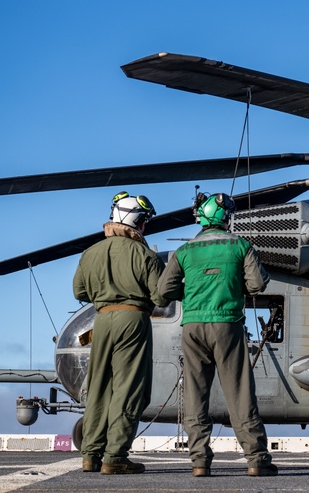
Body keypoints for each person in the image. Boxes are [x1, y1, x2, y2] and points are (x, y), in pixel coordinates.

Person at [157, 193, 278, 478]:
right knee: (239, 392)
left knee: (196, 394)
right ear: (224, 218)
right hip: (227, 325)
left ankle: (199, 461)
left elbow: (163, 292)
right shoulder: (240, 245)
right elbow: (258, 284)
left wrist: (189, 293)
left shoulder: (185, 251)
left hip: (193, 327)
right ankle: (256, 459)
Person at [73, 191, 167, 475]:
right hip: (133, 319)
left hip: (101, 320)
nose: (145, 227)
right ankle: (115, 456)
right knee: (129, 389)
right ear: (136, 221)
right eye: (144, 221)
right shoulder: (145, 254)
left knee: (99, 386)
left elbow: (79, 291)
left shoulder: (90, 253)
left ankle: (90, 455)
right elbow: (161, 297)